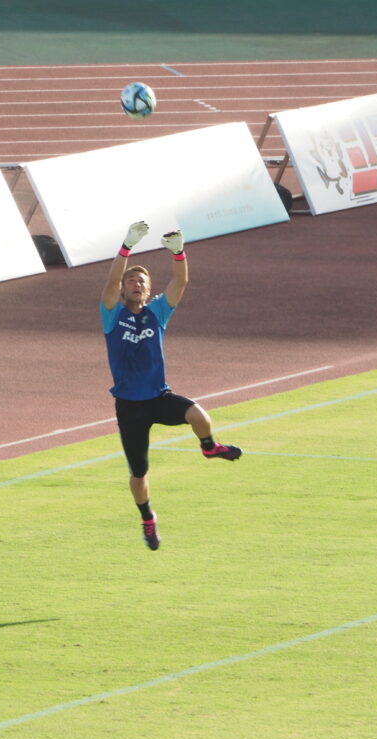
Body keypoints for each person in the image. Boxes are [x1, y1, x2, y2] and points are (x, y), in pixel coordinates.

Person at [100, 222, 242, 551]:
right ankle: (147, 517)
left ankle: (209, 447)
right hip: (129, 406)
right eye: (131, 281)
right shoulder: (111, 315)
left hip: (158, 397)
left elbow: (181, 282)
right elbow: (109, 282)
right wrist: (126, 248)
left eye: (142, 282)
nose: (136, 284)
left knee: (200, 416)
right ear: (123, 290)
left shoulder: (157, 313)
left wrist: (179, 253)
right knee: (139, 473)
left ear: (148, 292)